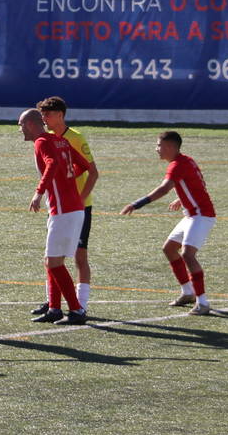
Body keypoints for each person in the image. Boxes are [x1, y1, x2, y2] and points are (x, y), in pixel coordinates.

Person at [120, 131, 214, 316]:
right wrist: (182, 198)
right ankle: (188, 292)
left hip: (201, 215)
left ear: (170, 147)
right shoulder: (186, 160)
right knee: (169, 249)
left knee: (188, 254)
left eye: (159, 145)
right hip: (192, 214)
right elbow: (197, 183)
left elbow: (163, 189)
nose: (156, 149)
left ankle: (203, 303)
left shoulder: (177, 165)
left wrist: (137, 204)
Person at [18, 108, 91, 325]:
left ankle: (76, 310)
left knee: (54, 262)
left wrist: (39, 192)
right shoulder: (61, 140)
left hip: (64, 210)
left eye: (21, 125)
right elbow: (83, 165)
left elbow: (52, 163)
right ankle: (54, 309)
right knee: (51, 260)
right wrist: (67, 179)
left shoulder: (42, 141)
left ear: (31, 124)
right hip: (72, 208)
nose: (20, 129)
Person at [36, 96, 99, 311]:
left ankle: (81, 304)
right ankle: (52, 303)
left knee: (80, 256)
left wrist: (81, 198)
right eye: (42, 115)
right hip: (58, 206)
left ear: (60, 115)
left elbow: (93, 172)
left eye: (48, 114)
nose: (44, 118)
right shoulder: (49, 138)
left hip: (78, 206)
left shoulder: (75, 138)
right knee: (52, 255)